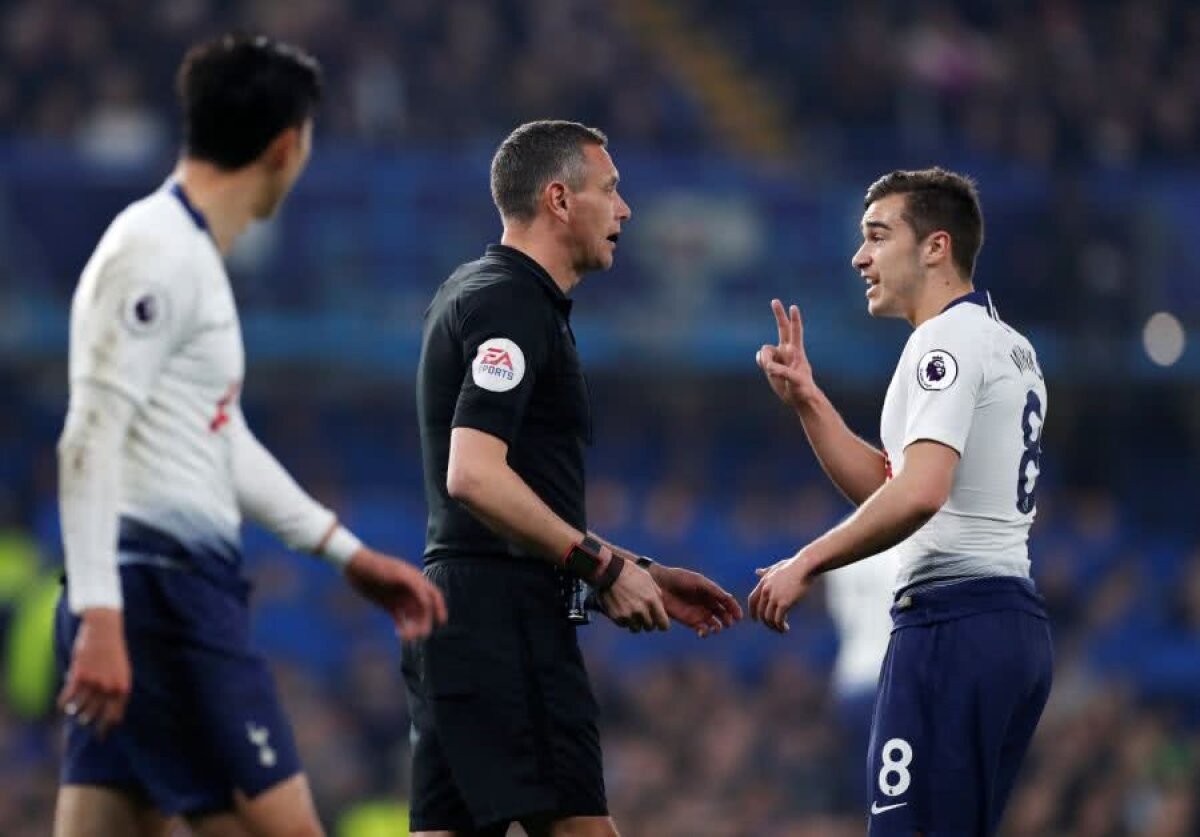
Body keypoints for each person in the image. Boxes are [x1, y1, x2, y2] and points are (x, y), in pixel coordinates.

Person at [54, 34, 447, 837]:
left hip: (146, 594)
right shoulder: (156, 253)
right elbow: (89, 433)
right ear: (285, 147)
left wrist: (346, 551)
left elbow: (217, 435)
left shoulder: (187, 255)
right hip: (161, 597)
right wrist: (101, 614)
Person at [406, 119, 743, 837]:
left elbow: (510, 495)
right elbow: (474, 475)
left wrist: (631, 565)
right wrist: (598, 563)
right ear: (559, 199)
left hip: (464, 609)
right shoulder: (511, 302)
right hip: (505, 619)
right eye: (611, 190)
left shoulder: (479, 291)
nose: (624, 210)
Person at [749, 168, 1053, 835]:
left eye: (877, 236)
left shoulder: (940, 342)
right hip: (1009, 623)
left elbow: (918, 495)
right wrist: (809, 399)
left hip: (952, 623)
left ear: (935, 247)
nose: (860, 256)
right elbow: (897, 484)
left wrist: (808, 559)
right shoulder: (1008, 344)